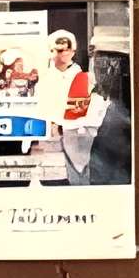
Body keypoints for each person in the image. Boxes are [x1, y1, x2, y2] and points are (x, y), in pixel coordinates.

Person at [40, 28, 102, 181]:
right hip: (48, 139)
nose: (63, 54)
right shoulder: (43, 78)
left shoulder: (84, 78)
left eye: (67, 50)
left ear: (73, 52)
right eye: (59, 50)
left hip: (76, 136)